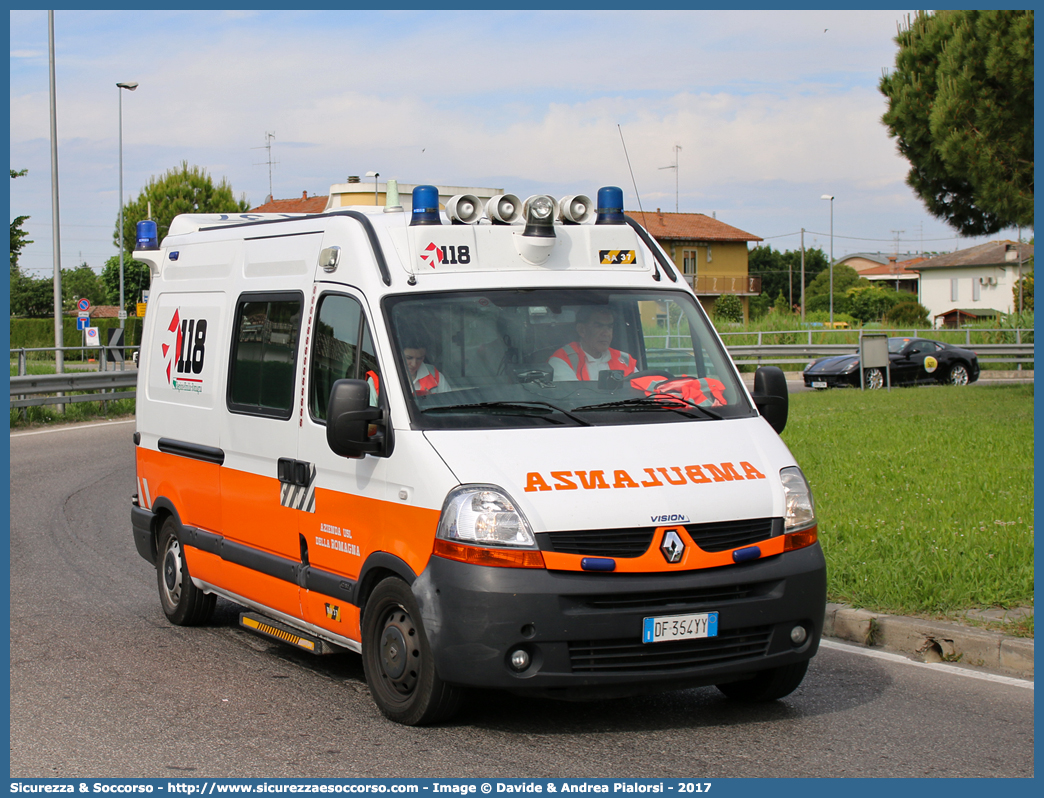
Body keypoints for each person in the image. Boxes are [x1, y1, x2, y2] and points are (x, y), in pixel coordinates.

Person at [548, 306, 636, 381]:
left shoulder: (624, 359)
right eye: (599, 326)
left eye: (609, 327)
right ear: (582, 330)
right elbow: (572, 399)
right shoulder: (562, 360)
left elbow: (644, 390)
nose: (606, 333)